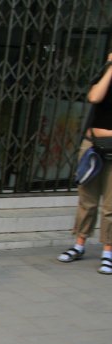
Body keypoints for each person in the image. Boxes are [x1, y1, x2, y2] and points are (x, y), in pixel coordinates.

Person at [58, 53, 112, 275]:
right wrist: (110, 68)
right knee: (86, 200)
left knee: (110, 206)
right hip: (93, 147)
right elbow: (94, 97)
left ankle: (108, 252)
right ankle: (79, 244)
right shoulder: (105, 73)